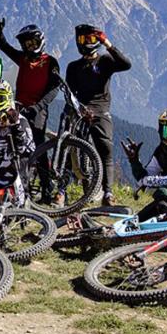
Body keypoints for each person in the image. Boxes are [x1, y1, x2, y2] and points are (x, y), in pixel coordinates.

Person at [0, 19, 61, 201]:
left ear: (41, 42)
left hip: (38, 111)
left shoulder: (51, 62)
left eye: (34, 43)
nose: (31, 47)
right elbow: (4, 46)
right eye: (27, 44)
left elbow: (54, 89)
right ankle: (19, 187)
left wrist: (38, 107)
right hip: (18, 108)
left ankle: (47, 190)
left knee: (38, 149)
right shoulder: (22, 58)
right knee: (14, 146)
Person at [65, 24, 132, 206]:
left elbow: (126, 64)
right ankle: (62, 190)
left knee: (105, 150)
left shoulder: (105, 61)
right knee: (69, 148)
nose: (87, 43)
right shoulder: (73, 67)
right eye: (83, 39)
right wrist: (75, 109)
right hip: (80, 111)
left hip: (100, 111)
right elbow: (70, 93)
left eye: (91, 39)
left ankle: (108, 193)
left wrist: (108, 43)